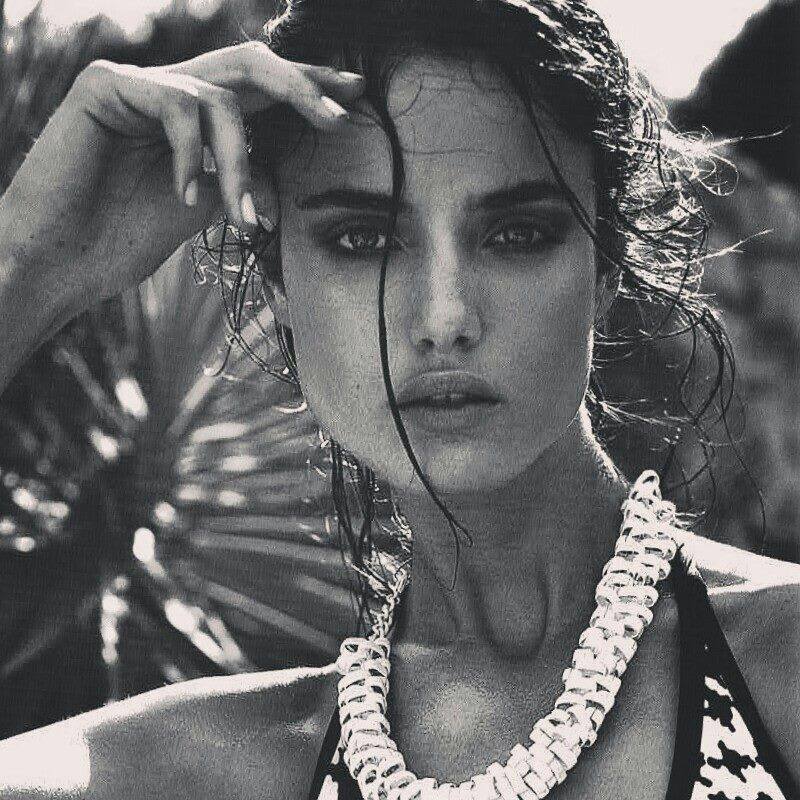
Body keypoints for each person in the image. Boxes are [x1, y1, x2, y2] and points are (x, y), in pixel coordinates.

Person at [0, 1, 797, 799]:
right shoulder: (227, 769)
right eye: (364, 239)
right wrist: (29, 263)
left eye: (517, 234)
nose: (445, 317)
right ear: (278, 284)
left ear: (607, 270)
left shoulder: (778, 664)